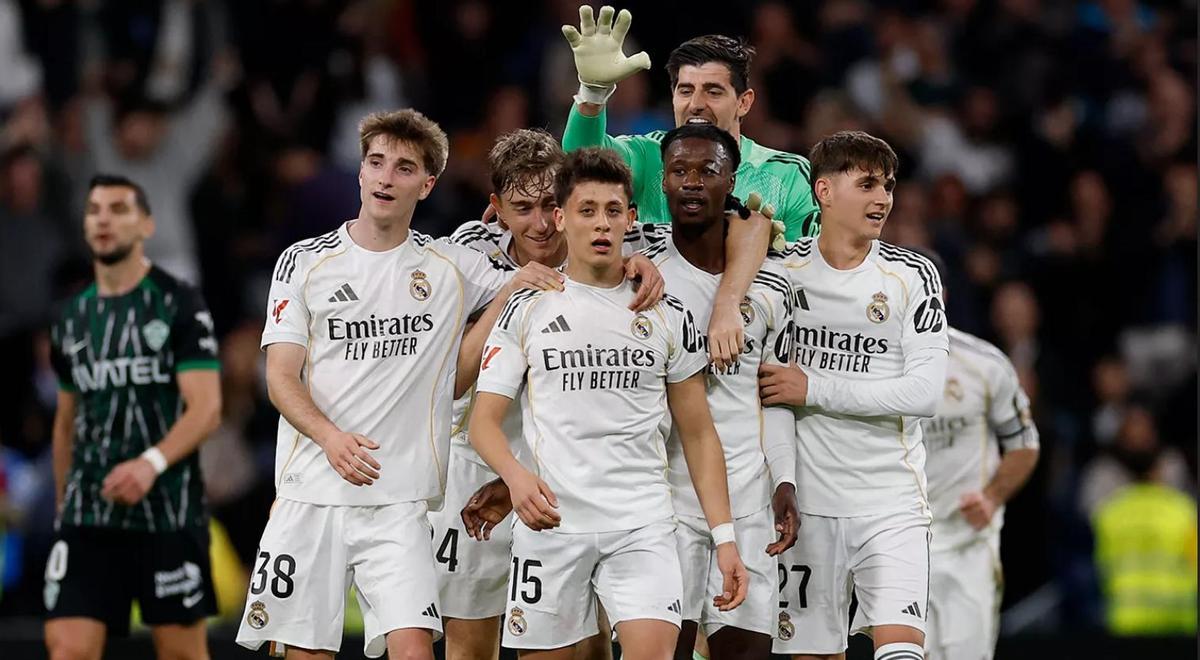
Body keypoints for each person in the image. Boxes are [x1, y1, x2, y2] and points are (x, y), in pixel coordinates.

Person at [234, 109, 557, 660]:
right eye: (376, 163)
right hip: (312, 496)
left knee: (414, 651)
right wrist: (331, 438)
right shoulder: (304, 262)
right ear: (360, 173)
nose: (385, 178)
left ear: (427, 185)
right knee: (304, 654)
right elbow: (281, 380)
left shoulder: (453, 265)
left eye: (404, 168)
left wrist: (637, 268)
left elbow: (553, 281)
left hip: (401, 504)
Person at [469, 147, 749, 660]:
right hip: (552, 525)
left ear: (631, 218)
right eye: (587, 210)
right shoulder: (527, 309)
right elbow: (482, 423)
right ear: (562, 218)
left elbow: (699, 434)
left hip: (642, 526)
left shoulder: (666, 311)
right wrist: (516, 476)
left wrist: (725, 537)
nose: (601, 224)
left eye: (613, 211)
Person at [431, 128, 662, 660]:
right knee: (471, 643)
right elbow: (455, 381)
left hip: (571, 474)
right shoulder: (467, 253)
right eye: (521, 208)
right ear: (496, 210)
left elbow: (701, 239)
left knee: (586, 642)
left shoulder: (614, 244)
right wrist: (511, 291)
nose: (539, 223)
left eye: (548, 205)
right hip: (477, 462)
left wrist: (643, 263)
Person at [758, 131, 949, 660]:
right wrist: (784, 482)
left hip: (892, 504)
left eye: (887, 185)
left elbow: (925, 392)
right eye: (866, 184)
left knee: (902, 651)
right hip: (809, 509)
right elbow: (772, 395)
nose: (882, 198)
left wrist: (814, 387)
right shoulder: (779, 275)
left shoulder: (912, 275)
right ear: (823, 190)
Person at [45, 174, 222, 660]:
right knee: (67, 648)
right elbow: (65, 422)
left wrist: (150, 464)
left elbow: (206, 409)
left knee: (182, 653)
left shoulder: (178, 302)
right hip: (89, 513)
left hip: (166, 511)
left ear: (145, 224)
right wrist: (64, 509)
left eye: (119, 209)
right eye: (94, 209)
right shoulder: (69, 318)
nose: (104, 219)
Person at [648, 124, 800, 660]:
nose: (691, 182)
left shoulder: (774, 284)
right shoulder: (643, 276)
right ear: (662, 182)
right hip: (668, 506)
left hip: (750, 502)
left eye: (707, 171)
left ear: (730, 179)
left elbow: (773, 394)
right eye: (678, 171)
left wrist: (784, 479)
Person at [560, 5, 820, 241]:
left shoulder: (786, 175)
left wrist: (771, 256)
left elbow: (808, 269)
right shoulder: (648, 156)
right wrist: (593, 92)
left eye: (713, 91)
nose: (696, 103)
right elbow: (582, 161)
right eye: (685, 90)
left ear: (744, 102)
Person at [913, 250, 1040, 660]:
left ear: (941, 297)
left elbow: (1024, 445)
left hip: (968, 542)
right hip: (900, 543)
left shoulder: (983, 365)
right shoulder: (868, 369)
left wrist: (991, 496)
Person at [1092, 410, 1197, 636]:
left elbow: (1101, 565)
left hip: (1126, 622)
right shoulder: (1184, 511)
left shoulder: (1111, 513)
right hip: (1178, 623)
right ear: (1159, 470)